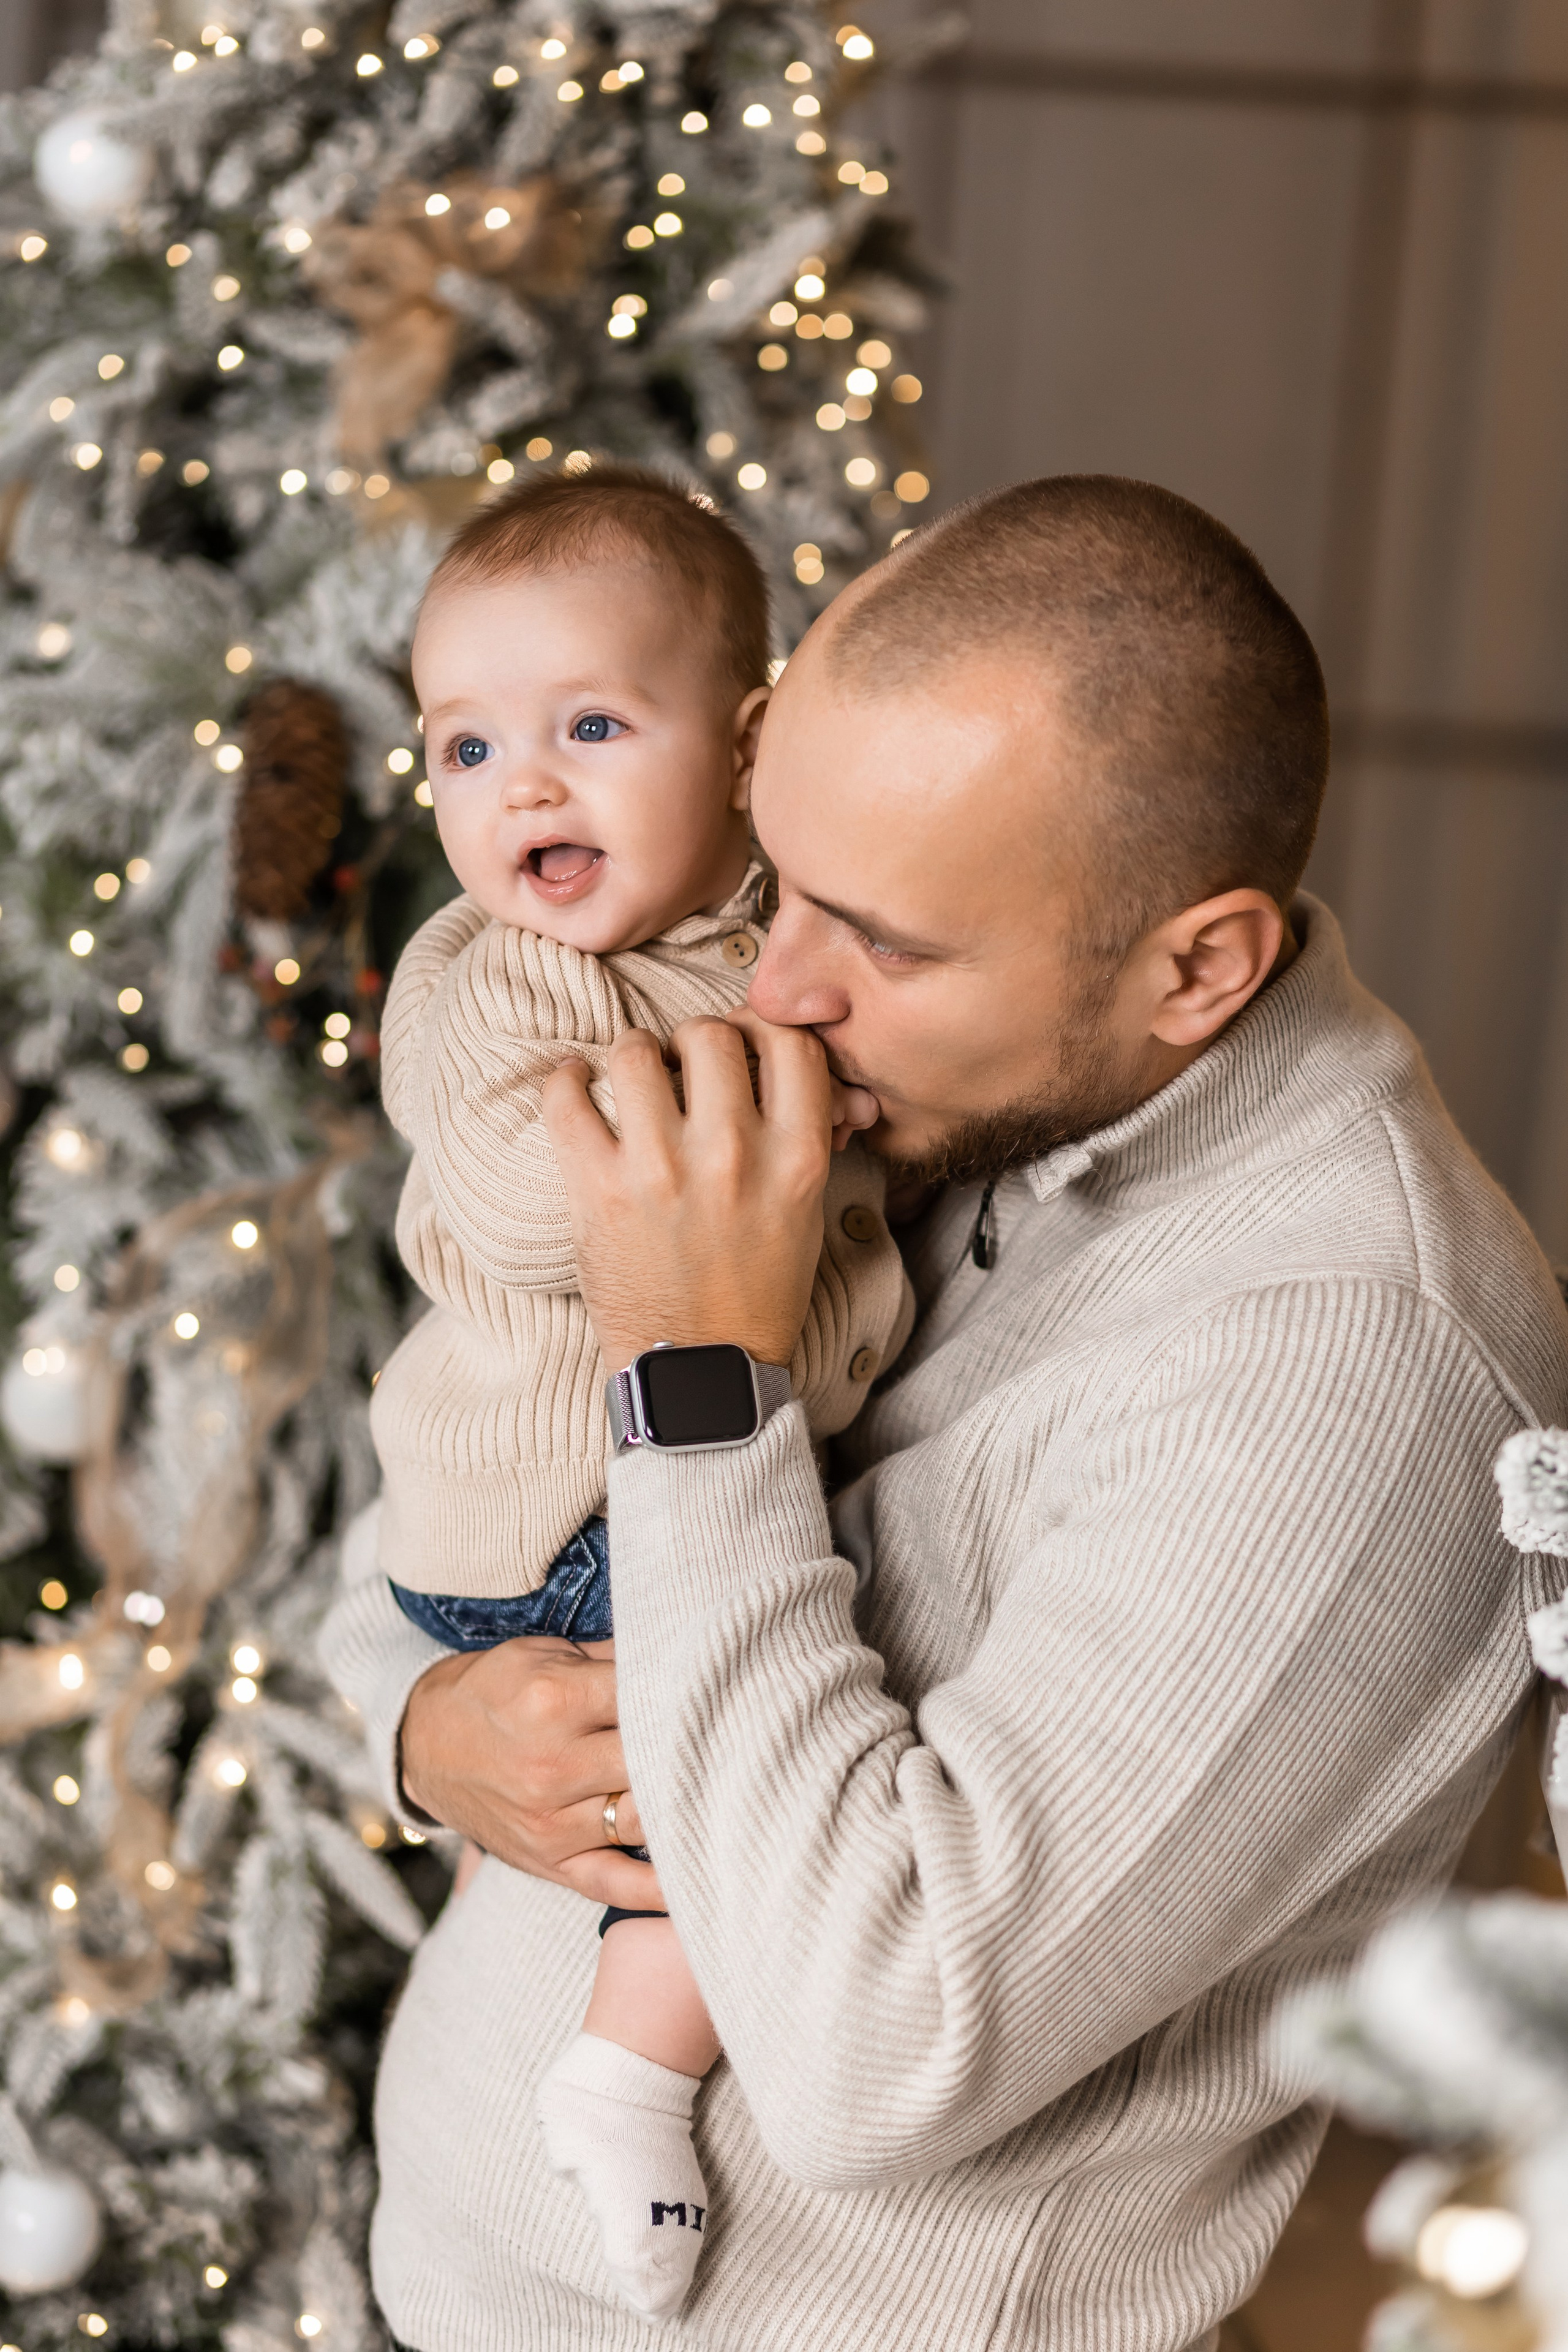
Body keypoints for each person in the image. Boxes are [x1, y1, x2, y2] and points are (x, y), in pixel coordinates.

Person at [322, 475, 1568, 2352]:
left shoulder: (1348, 1369)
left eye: (882, 942)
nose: (775, 987)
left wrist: (704, 1380)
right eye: (775, 881)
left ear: (1197, 969)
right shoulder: (950, 1086)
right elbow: (449, 1480)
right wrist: (428, 1725)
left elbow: (877, 2048)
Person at [363, 465, 909, 2322]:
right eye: (466, 748)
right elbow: (536, 1206)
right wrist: (771, 1078)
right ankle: (629, 2076)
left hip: (690, 1458)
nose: (526, 787)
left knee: (780, 1714)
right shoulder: (488, 981)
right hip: (546, 1527)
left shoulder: (775, 939)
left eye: (593, 726)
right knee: (706, 1763)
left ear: (749, 748)